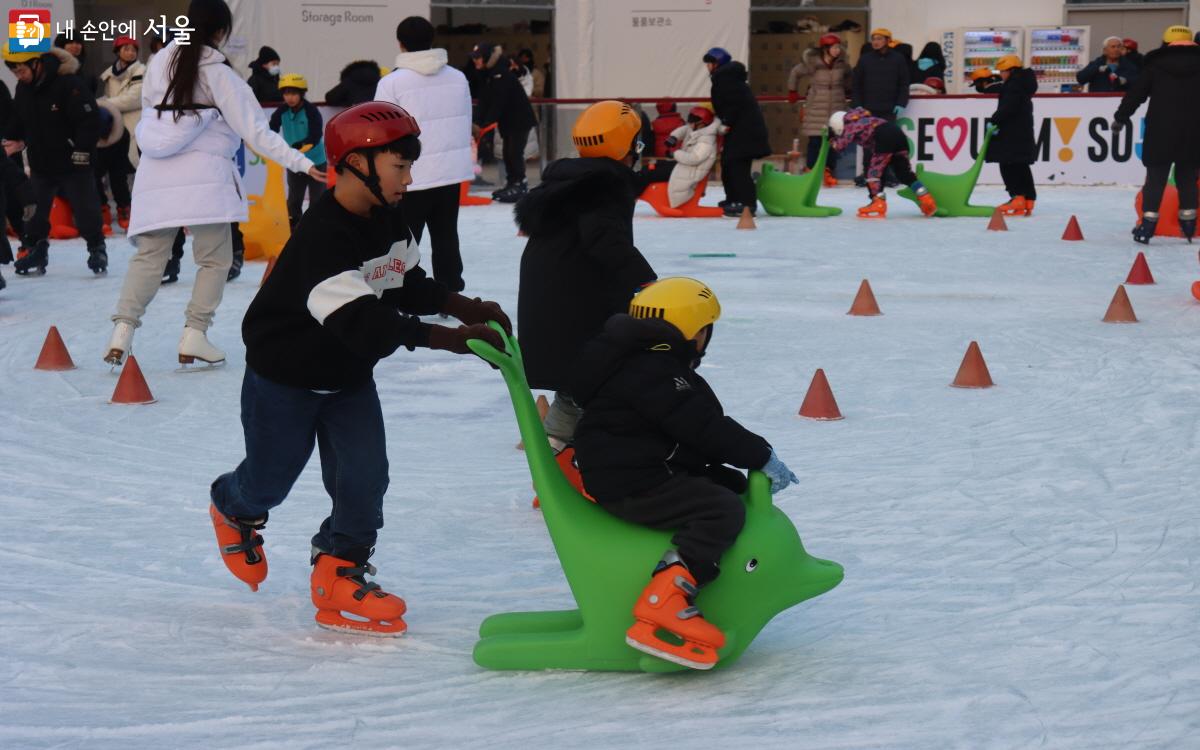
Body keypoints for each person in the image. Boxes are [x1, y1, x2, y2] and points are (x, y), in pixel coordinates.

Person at [207, 100, 511, 636]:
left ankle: (339, 571)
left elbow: (405, 282)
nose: (410, 178)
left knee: (365, 479)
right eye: (401, 166)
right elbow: (365, 323)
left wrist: (464, 305)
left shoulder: (387, 214)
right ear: (355, 164)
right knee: (269, 482)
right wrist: (450, 339)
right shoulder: (322, 237)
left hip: (347, 377)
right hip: (287, 378)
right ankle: (233, 507)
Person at [569, 277, 799, 670]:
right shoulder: (654, 370)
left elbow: (678, 431)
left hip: (631, 470)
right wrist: (759, 454)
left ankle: (692, 587)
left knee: (728, 486)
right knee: (720, 510)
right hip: (634, 482)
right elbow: (702, 427)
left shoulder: (639, 362)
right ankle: (666, 599)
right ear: (694, 331)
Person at [105, 0, 323, 368]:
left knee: (150, 257)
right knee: (215, 259)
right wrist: (301, 162)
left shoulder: (159, 63)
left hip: (157, 175)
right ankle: (195, 334)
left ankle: (122, 331)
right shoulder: (221, 75)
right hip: (205, 181)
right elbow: (256, 132)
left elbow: (149, 117)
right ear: (221, 31)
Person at [515, 100, 656, 453]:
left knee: (580, 382)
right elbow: (605, 240)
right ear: (631, 146)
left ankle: (554, 451)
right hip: (577, 305)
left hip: (550, 304)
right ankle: (573, 460)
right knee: (602, 378)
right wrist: (647, 282)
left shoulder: (570, 181)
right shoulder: (604, 186)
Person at [376, 16, 473, 292]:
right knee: (446, 237)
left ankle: (394, 292)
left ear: (401, 44)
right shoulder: (458, 77)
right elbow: (464, 119)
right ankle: (451, 291)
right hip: (449, 173)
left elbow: (383, 129)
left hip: (409, 175)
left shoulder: (392, 82)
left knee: (402, 238)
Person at [3, 45, 107, 276]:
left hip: (74, 161)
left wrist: (82, 152)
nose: (19, 77)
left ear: (36, 63)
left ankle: (96, 247)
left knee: (86, 209)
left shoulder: (68, 84)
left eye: (21, 71)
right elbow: (20, 119)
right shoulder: (24, 88)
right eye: (15, 73)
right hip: (42, 163)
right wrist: (12, 139)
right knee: (34, 210)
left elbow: (89, 120)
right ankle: (37, 248)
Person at [1115, 25, 1200, 244]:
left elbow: (1137, 94)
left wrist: (1121, 117)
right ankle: (1188, 223)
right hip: (1194, 131)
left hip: (1161, 130)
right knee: (1188, 177)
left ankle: (1147, 225)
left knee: (1155, 178)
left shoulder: (1155, 65)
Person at [828, 107, 937, 218]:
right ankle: (926, 199)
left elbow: (840, 146)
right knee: (903, 172)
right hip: (898, 133)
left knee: (873, 174)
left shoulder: (850, 123)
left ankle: (878, 203)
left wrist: (830, 139)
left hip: (883, 136)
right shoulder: (863, 118)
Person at [705, 47, 771, 217]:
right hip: (740, 130)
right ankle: (733, 199)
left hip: (744, 131)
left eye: (710, 63)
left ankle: (747, 204)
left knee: (738, 166)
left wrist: (726, 121)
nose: (708, 67)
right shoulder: (726, 78)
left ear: (717, 63)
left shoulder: (726, 80)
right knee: (729, 164)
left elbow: (732, 105)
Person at [471, 42, 536, 202]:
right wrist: (477, 122)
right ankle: (512, 182)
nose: (475, 61)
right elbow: (484, 101)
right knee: (507, 153)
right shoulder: (488, 75)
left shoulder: (500, 74)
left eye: (478, 58)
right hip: (508, 122)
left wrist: (484, 125)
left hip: (520, 120)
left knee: (514, 152)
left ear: (486, 57)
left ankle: (520, 183)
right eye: (474, 58)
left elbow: (497, 103)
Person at [788, 33, 852, 186]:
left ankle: (828, 171)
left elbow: (850, 77)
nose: (837, 50)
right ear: (826, 48)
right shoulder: (812, 63)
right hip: (816, 104)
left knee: (832, 140)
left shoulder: (842, 64)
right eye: (834, 48)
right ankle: (811, 170)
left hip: (836, 104)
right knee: (815, 140)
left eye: (838, 47)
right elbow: (795, 73)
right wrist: (792, 91)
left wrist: (849, 91)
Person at [96, 36, 144, 232]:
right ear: (117, 51)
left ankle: (126, 209)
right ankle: (103, 209)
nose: (130, 52)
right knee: (98, 171)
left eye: (133, 49)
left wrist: (103, 104)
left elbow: (134, 99)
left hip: (130, 129)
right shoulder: (106, 75)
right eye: (126, 49)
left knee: (121, 174)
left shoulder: (142, 71)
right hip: (109, 130)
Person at [851, 29, 909, 187]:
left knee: (888, 143)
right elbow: (856, 85)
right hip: (868, 109)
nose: (875, 42)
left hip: (889, 109)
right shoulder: (865, 60)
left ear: (887, 40)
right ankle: (867, 173)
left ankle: (887, 173)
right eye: (873, 39)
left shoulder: (898, 59)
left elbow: (904, 84)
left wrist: (901, 103)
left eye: (879, 38)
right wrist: (857, 105)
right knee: (868, 143)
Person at [269, 74, 326, 229]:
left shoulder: (311, 111)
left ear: (301, 94)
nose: (290, 98)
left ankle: (316, 228)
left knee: (318, 200)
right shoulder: (281, 111)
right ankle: (294, 229)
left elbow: (316, 135)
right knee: (294, 200)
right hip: (294, 162)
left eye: (294, 93)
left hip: (316, 162)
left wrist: (302, 145)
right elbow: (270, 131)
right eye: (286, 93)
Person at [988, 55, 1039, 217]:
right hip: (1021, 131)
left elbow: (1007, 107)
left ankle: (1017, 197)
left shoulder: (1014, 85)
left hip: (1011, 132)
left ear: (1010, 70)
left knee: (1007, 164)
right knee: (1021, 164)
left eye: (1002, 71)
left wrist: (994, 120)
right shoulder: (1023, 82)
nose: (1001, 74)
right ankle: (1028, 199)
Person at [663, 106, 721, 207]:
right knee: (655, 166)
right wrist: (674, 137)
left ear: (702, 123)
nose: (689, 123)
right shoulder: (697, 130)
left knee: (652, 173)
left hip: (690, 172)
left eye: (692, 121)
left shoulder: (706, 141)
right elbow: (685, 129)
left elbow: (694, 159)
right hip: (685, 166)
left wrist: (675, 153)